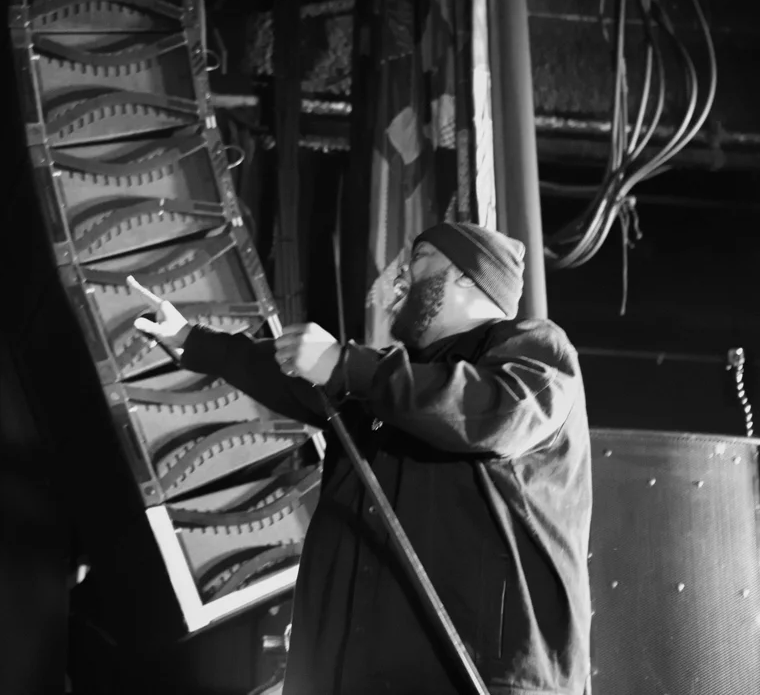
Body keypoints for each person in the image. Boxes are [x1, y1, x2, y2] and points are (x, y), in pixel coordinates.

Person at [129, 222, 592, 695]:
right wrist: (193, 340)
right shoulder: (388, 384)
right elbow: (285, 374)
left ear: (468, 276)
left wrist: (347, 366)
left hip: (481, 679)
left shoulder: (534, 351)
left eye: (420, 258)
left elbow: (495, 411)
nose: (400, 275)